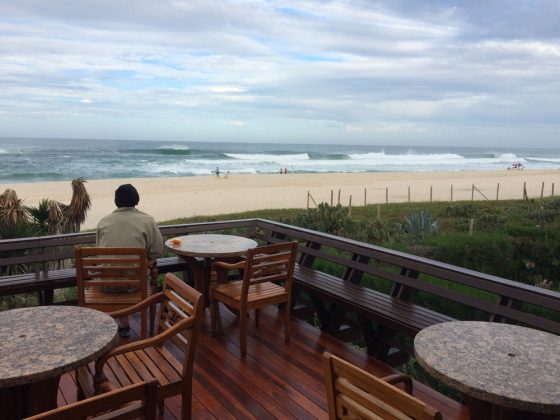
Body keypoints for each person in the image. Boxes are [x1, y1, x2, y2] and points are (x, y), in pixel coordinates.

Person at [96, 184, 164, 337]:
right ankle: (132, 326)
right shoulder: (147, 220)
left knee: (117, 268)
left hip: (105, 284)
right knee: (132, 270)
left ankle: (124, 324)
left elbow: (100, 251)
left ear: (116, 201)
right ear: (137, 200)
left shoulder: (103, 221)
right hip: (134, 284)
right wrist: (148, 260)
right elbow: (157, 250)